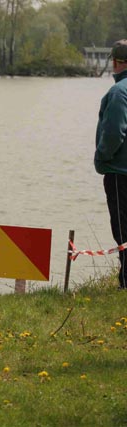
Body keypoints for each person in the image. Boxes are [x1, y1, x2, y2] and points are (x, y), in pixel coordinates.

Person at [95, 39, 127, 290]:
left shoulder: (118, 93)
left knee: (122, 227)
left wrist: (102, 158)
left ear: (116, 63)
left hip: (119, 171)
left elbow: (114, 132)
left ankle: (125, 281)